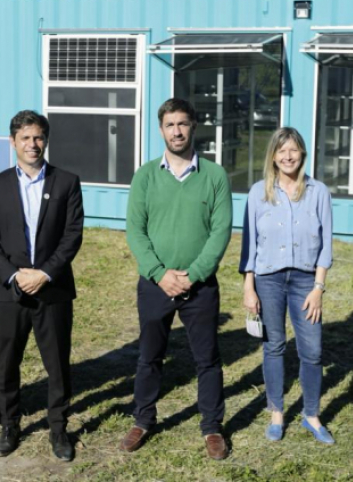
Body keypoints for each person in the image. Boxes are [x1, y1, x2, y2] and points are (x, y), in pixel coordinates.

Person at [120, 98, 233, 460]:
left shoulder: (214, 176)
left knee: (207, 359)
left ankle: (212, 427)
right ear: (161, 129)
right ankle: (142, 420)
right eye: (170, 125)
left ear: (194, 126)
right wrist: (159, 274)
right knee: (149, 356)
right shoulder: (146, 175)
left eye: (183, 124)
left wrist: (194, 275)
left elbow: (221, 232)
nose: (177, 131)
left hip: (199, 287)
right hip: (156, 284)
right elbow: (135, 231)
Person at [0, 110, 84, 462]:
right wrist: (12, 273)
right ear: (13, 142)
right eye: (25, 138)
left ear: (46, 140)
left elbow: (72, 236)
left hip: (52, 290)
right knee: (9, 361)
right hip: (11, 291)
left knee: (57, 363)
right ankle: (10, 425)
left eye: (38, 137)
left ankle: (58, 428)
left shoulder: (66, 182)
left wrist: (45, 273)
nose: (32, 144)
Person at [239, 127, 334, 444]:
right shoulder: (258, 192)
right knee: (274, 346)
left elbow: (326, 246)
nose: (288, 156)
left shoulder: (318, 192)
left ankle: (311, 415)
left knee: (313, 350)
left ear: (302, 154)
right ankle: (277, 413)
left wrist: (318, 288)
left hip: (306, 280)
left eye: (293, 150)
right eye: (282, 151)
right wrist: (248, 288)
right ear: (273, 157)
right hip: (268, 279)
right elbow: (249, 245)